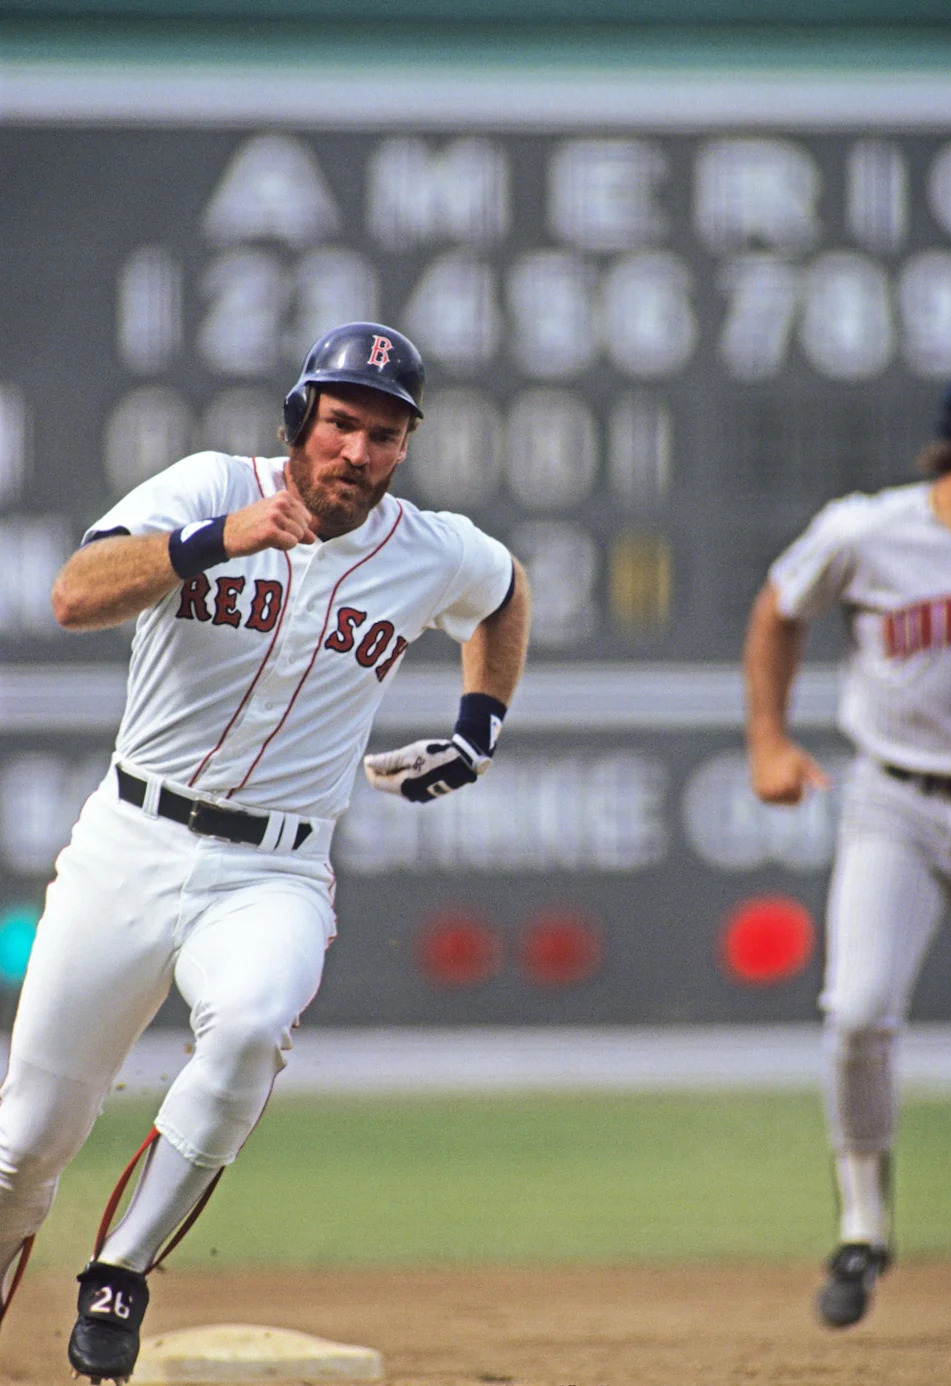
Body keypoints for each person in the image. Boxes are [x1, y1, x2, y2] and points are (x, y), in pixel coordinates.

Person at [0, 321, 530, 1384]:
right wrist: (216, 541)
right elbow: (73, 595)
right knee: (22, 1150)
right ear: (301, 419)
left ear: (404, 448)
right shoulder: (207, 488)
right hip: (128, 846)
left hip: (275, 871)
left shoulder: (428, 549)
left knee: (248, 1028)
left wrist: (480, 727)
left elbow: (506, 590)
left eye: (385, 434)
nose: (358, 451)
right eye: (341, 422)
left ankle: (120, 1273)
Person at [742, 378, 951, 1330]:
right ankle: (864, 1225)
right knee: (859, 1011)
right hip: (899, 802)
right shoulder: (868, 531)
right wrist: (767, 740)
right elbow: (779, 609)